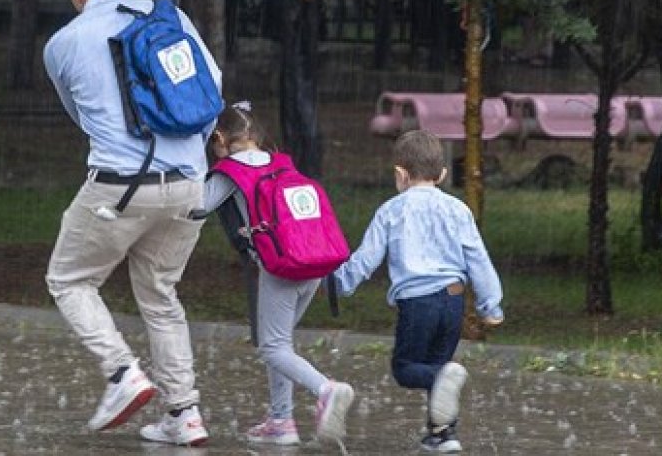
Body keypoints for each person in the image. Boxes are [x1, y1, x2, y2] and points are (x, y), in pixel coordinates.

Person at [42, 0, 221, 447]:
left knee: (69, 279)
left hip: (119, 187)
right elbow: (213, 91)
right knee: (162, 297)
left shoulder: (63, 43)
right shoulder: (172, 20)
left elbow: (79, 116)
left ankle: (123, 373)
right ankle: (185, 413)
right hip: (190, 185)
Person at [328, 129, 504, 453]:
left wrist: (339, 283)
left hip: (418, 303)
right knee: (440, 366)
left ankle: (442, 405)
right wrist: (490, 306)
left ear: (400, 174)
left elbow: (366, 258)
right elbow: (478, 258)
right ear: (443, 174)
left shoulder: (391, 211)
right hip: (453, 299)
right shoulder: (459, 210)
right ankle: (443, 435)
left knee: (407, 368)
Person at [200, 101, 355, 448]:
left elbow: (197, 206)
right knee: (281, 343)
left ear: (221, 138)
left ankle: (327, 390)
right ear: (256, 135)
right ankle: (281, 420)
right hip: (311, 263)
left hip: (279, 268)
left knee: (273, 347)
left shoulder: (230, 171)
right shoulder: (281, 162)